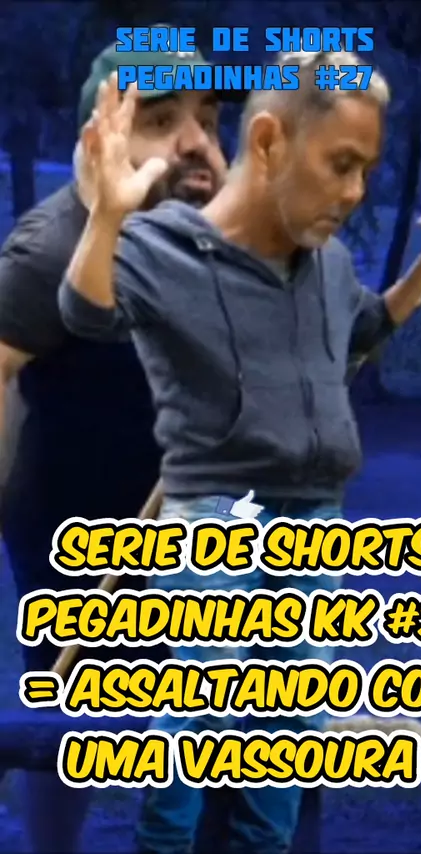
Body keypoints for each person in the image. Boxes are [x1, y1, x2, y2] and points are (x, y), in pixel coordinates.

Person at [58, 49, 421, 854]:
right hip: (217, 511)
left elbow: (372, 326)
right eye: (341, 165)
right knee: (201, 703)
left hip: (314, 516)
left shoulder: (330, 265)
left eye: (367, 171)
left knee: (292, 721)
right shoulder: (169, 246)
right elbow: (86, 309)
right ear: (272, 142)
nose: (356, 193)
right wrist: (105, 219)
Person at [0, 29, 231, 854]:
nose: (196, 142)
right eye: (161, 120)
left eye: (207, 119)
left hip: (200, 522)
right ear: (103, 136)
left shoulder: (220, 234)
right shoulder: (54, 248)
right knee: (68, 724)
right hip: (74, 524)